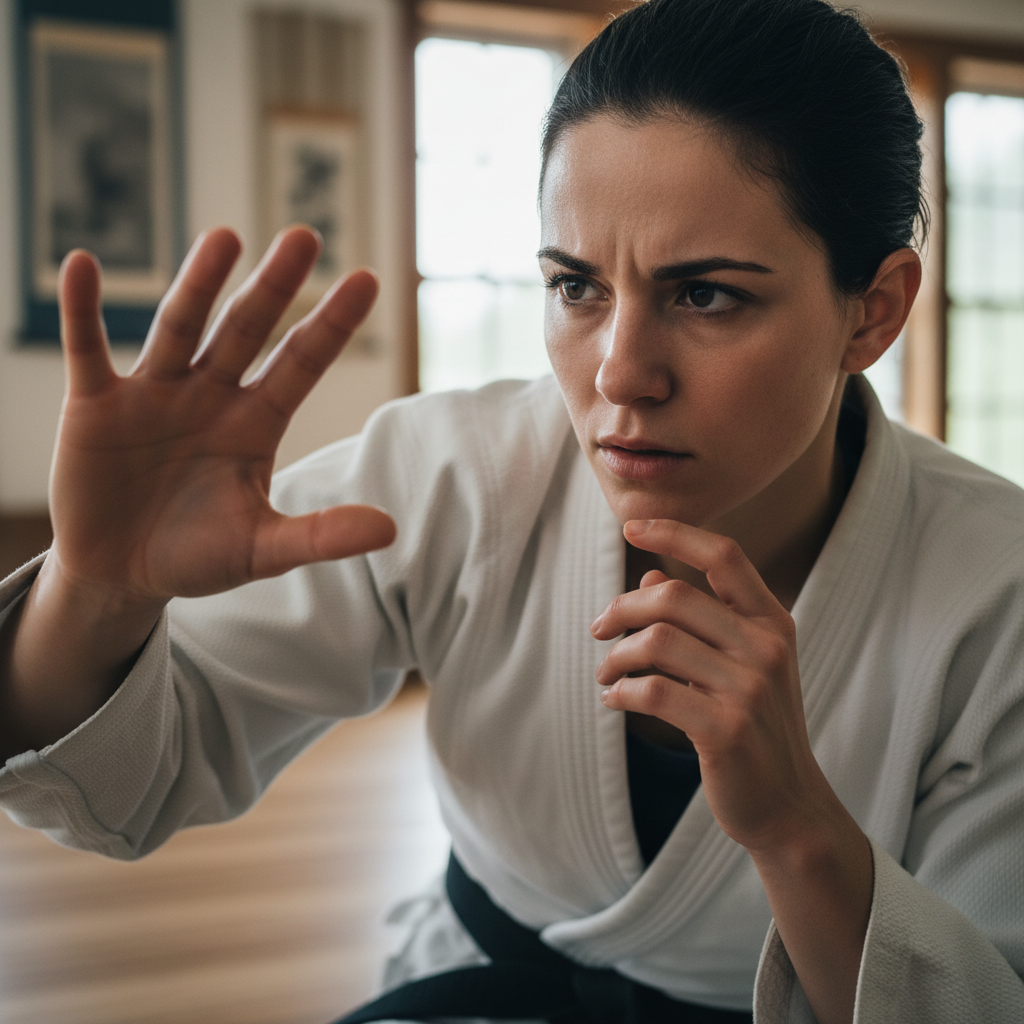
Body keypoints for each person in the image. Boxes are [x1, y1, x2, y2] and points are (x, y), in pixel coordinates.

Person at [1, 0, 1022, 1021]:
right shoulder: (449, 475)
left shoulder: (995, 590)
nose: (621, 373)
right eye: (576, 286)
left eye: (705, 295)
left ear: (873, 309)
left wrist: (798, 825)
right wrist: (95, 589)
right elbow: (123, 790)